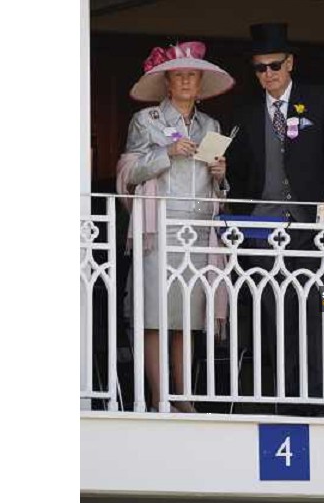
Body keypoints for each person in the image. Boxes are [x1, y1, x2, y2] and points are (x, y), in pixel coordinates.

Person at [226, 22, 324, 415]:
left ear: (290, 63)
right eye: (259, 68)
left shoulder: (320, 100)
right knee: (273, 313)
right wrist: (221, 172)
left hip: (309, 225)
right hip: (262, 227)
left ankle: (317, 400)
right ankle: (285, 397)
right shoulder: (246, 113)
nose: (267, 74)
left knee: (314, 310)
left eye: (274, 65)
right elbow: (239, 171)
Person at [117, 40, 234, 412]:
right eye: (179, 75)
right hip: (160, 228)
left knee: (188, 316)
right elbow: (128, 173)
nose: (186, 81)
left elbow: (218, 186)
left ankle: (182, 395)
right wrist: (164, 154)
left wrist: (221, 175)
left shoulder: (210, 125)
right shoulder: (147, 121)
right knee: (156, 315)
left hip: (199, 228)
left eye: (192, 75)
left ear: (200, 83)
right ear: (168, 82)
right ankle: (157, 396)